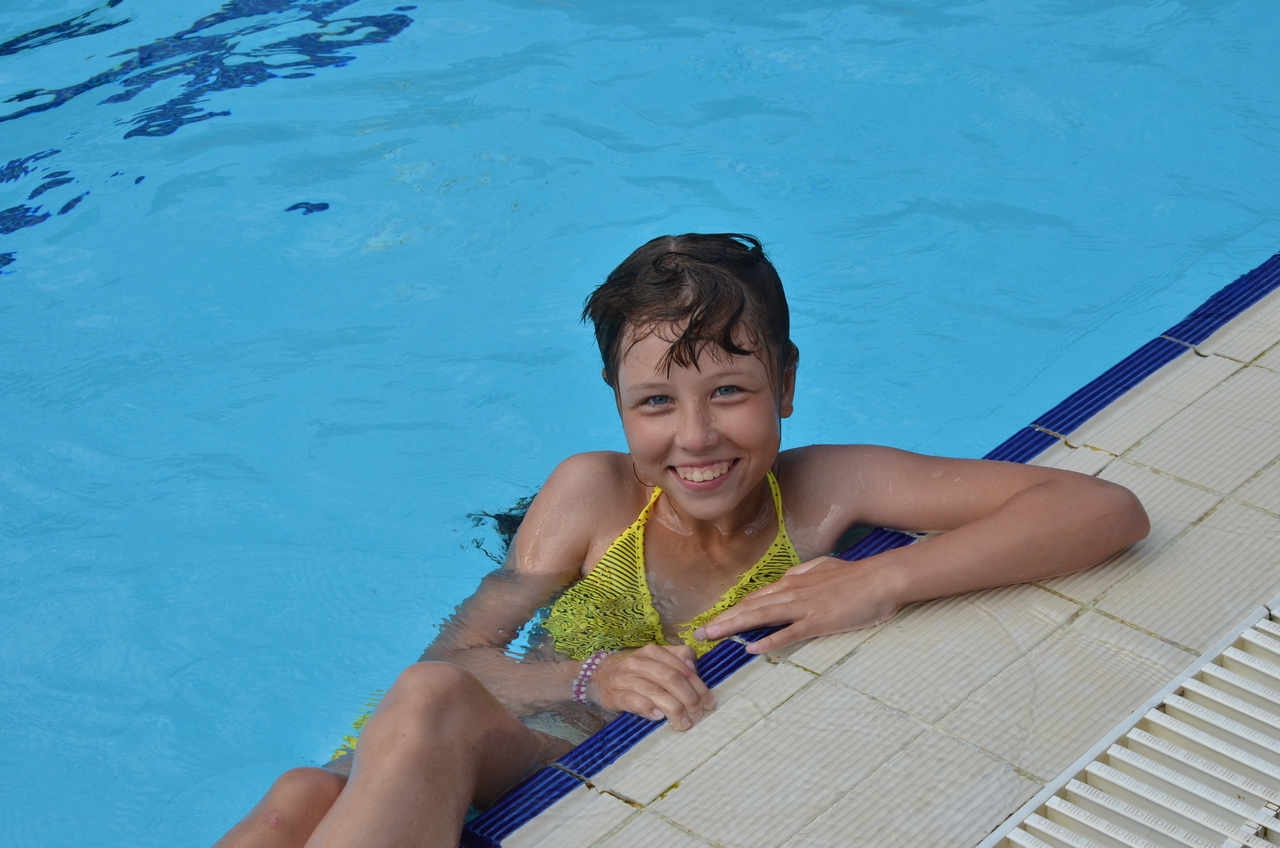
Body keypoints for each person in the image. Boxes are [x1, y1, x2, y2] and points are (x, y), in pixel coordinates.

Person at [214, 233, 1149, 848]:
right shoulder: (591, 496)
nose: (696, 438)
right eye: (657, 402)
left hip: (548, 759)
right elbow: (456, 658)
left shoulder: (829, 489)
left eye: (729, 392)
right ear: (621, 408)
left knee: (387, 735)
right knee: (301, 795)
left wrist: (880, 580)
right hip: (523, 731)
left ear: (786, 382)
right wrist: (593, 678)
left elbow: (1100, 510)